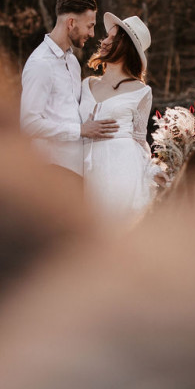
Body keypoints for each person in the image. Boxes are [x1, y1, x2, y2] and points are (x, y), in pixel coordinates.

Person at [20, 0, 119, 178]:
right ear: (71, 23)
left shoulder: (72, 62)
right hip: (52, 170)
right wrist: (80, 130)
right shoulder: (40, 63)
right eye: (89, 26)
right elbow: (29, 124)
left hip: (76, 170)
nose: (92, 34)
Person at [80, 12, 155, 229]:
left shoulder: (141, 91)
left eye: (112, 39)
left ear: (126, 48)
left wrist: (152, 171)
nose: (103, 41)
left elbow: (140, 140)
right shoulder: (86, 85)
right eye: (106, 36)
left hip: (121, 172)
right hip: (83, 169)